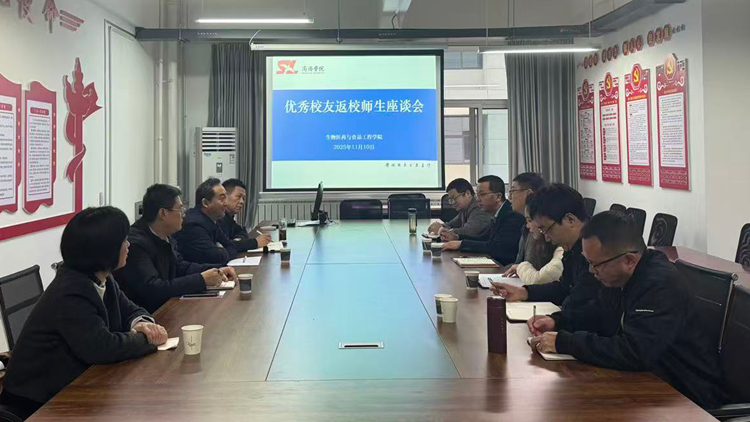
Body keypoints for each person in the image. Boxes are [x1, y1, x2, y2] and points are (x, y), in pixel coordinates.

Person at [528, 211, 730, 409]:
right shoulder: (619, 276)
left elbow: (636, 352)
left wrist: (565, 342)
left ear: (629, 260)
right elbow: (597, 312)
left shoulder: (659, 284)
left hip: (685, 396)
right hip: (648, 384)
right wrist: (558, 321)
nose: (591, 271)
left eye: (595, 264)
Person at [0, 207, 167, 420]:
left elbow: (132, 310)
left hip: (76, 383)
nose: (128, 245)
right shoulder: (70, 291)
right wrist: (147, 338)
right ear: (105, 249)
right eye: (123, 240)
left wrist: (141, 322)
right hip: (37, 403)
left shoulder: (102, 278)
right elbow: (102, 348)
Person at [491, 184, 603, 331]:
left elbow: (582, 306)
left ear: (570, 220)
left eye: (547, 229)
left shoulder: (598, 251)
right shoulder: (572, 247)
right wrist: (524, 292)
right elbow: (564, 288)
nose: (547, 238)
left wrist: (556, 324)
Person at [114, 184, 237, 313]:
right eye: (180, 209)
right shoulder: (136, 244)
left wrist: (217, 271)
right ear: (163, 213)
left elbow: (180, 267)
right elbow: (153, 288)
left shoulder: (166, 235)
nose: (184, 215)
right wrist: (201, 280)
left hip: (168, 307)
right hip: (148, 315)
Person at [441, 175, 525, 265]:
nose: (477, 199)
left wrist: (461, 244)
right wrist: (457, 237)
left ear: (498, 196)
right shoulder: (497, 213)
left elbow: (497, 248)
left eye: (482, 195)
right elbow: (483, 238)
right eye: (477, 195)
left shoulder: (511, 215)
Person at [503, 173, 560, 284]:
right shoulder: (527, 227)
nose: (509, 198)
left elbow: (538, 276)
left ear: (529, 194)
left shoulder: (542, 232)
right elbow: (519, 264)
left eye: (512, 191)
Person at [175, 178, 238, 265]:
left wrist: (221, 249)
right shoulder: (193, 224)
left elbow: (231, 246)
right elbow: (215, 257)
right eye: (222, 199)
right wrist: (222, 250)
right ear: (206, 203)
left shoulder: (212, 220)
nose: (226, 203)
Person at [508, 195, 564, 285]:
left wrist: (520, 267)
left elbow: (538, 280)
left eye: (530, 220)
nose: (527, 226)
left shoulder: (563, 248)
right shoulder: (537, 243)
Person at [218, 179, 272, 252]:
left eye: (243, 198)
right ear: (225, 196)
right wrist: (255, 242)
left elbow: (242, 232)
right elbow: (226, 246)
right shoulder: (218, 217)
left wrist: (238, 241)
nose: (242, 202)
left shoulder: (229, 218)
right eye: (238, 196)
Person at [427, 178, 492, 237]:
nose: (453, 203)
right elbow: (451, 224)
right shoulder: (464, 209)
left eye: (454, 198)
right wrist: (441, 226)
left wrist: (441, 230)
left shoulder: (480, 208)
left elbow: (467, 232)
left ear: (467, 194)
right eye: (451, 200)